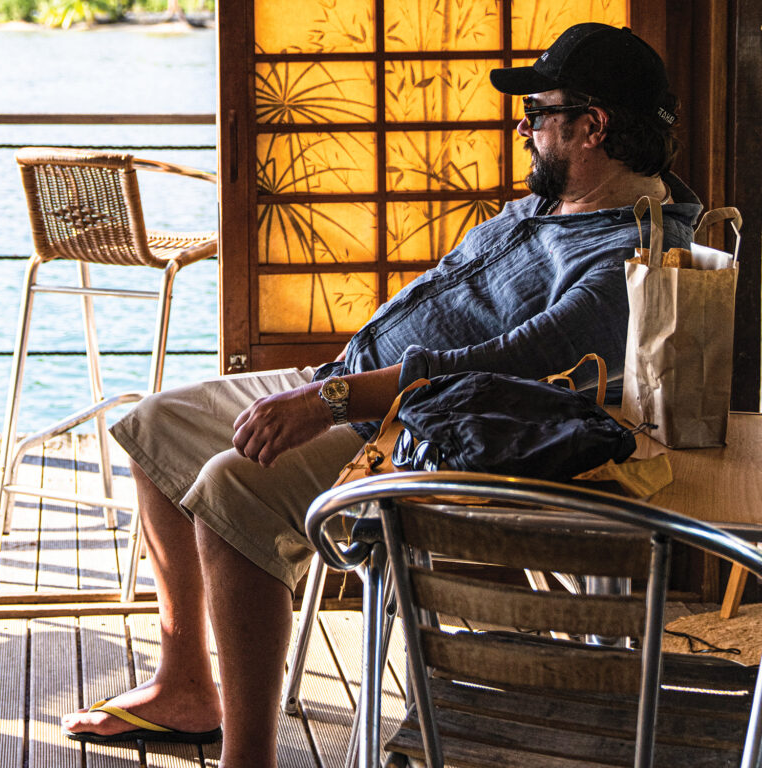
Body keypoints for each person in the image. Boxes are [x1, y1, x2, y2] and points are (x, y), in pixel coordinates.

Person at [62, 22, 702, 766]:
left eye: (538, 112)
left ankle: (249, 757)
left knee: (233, 485)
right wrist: (333, 386)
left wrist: (330, 402)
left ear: (592, 127)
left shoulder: (638, 255)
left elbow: (508, 364)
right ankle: (184, 686)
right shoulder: (555, 200)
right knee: (154, 425)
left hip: (423, 430)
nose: (522, 127)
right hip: (353, 382)